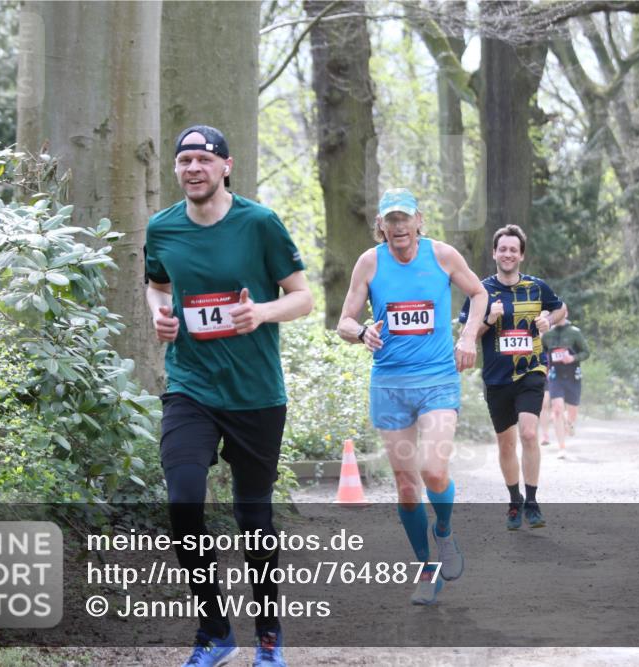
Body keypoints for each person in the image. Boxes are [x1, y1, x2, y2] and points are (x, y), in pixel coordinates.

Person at [145, 125, 312, 667]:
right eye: (184, 160)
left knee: (253, 518)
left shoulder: (259, 223)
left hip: (256, 394)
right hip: (191, 386)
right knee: (183, 501)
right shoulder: (162, 228)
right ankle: (215, 631)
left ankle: (268, 634)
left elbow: (303, 297)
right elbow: (157, 283)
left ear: (225, 167)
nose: (193, 168)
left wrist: (260, 312)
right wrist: (159, 313)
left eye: (204, 160)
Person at [337, 188, 487, 605]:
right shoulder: (369, 262)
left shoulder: (442, 256)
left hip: (438, 379)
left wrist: (469, 335)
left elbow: (479, 293)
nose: (399, 227)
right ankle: (426, 568)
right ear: (380, 225)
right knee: (406, 485)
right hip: (390, 384)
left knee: (433, 470)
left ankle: (444, 532)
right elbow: (345, 321)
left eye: (405, 219)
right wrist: (361, 332)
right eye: (391, 219)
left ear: (419, 220)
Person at [459, 224, 565, 531]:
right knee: (506, 444)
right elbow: (468, 334)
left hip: (531, 370)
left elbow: (561, 309)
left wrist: (548, 317)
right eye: (502, 249)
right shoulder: (480, 291)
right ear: (494, 253)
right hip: (496, 377)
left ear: (521, 255)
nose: (507, 254)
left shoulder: (537, 287)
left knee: (529, 433)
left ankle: (532, 502)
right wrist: (488, 319)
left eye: (513, 250)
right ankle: (514, 501)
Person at [542, 309, 590, 458]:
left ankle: (570, 423)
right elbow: (543, 355)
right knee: (557, 409)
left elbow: (586, 352)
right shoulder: (548, 335)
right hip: (555, 376)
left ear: (566, 313)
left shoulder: (575, 332)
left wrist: (573, 358)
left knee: (572, 410)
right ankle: (561, 447)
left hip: (572, 377)